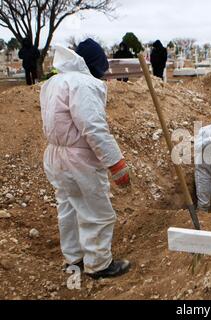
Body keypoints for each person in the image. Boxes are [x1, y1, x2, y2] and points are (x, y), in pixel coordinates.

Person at [40, 38, 131, 279]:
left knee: (68, 206)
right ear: (94, 65)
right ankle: (99, 264)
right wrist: (115, 163)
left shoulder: (54, 82)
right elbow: (93, 127)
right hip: (78, 157)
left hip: (55, 153)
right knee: (97, 211)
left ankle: (74, 257)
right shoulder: (84, 84)